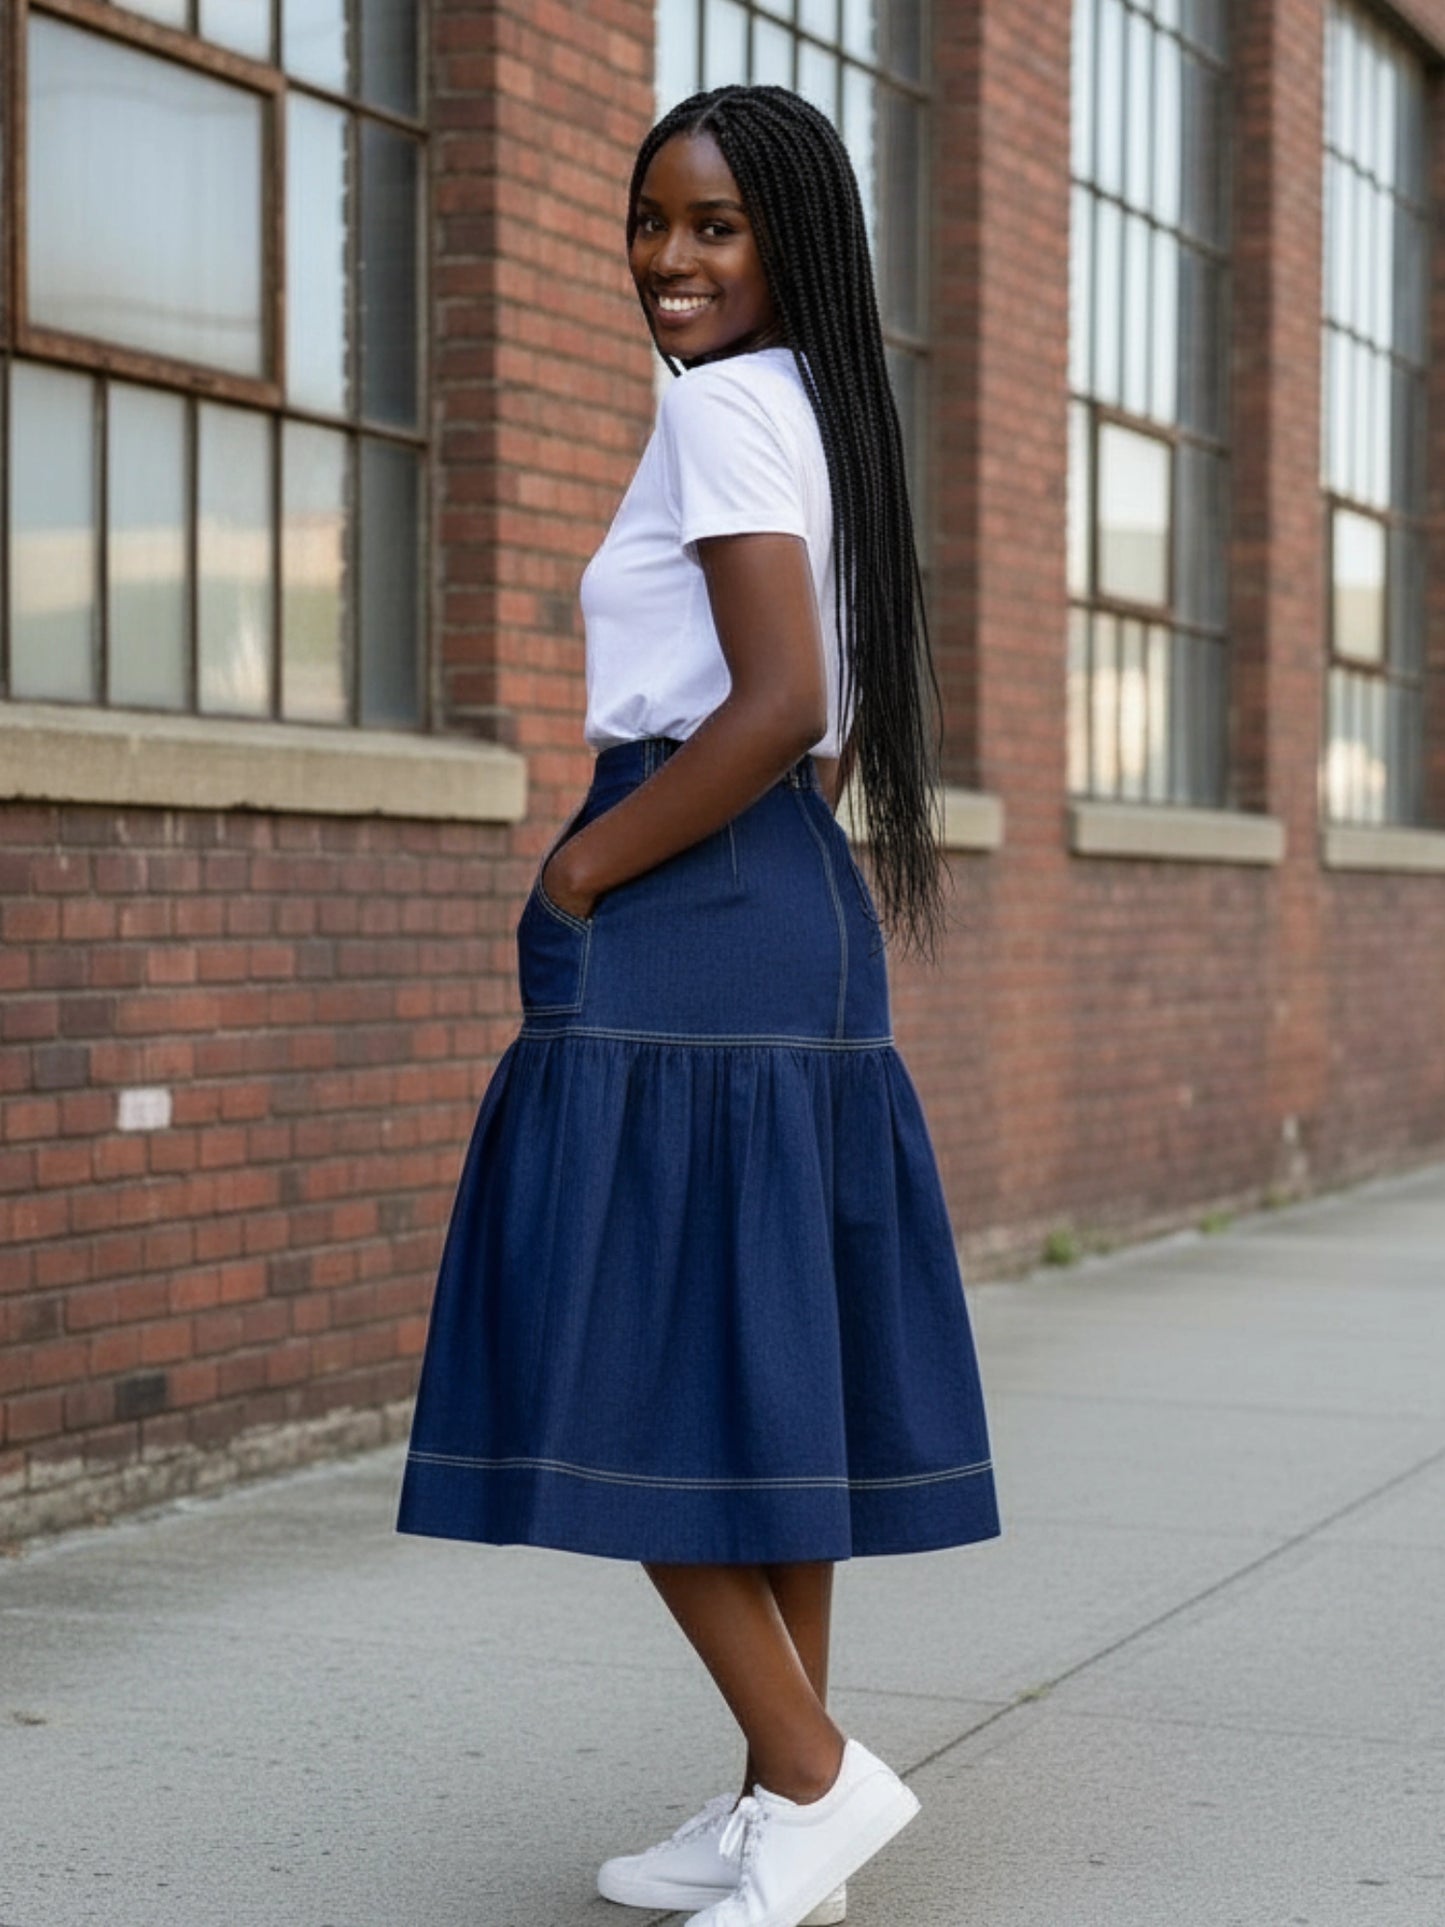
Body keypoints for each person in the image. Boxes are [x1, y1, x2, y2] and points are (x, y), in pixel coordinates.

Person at [396, 83, 1000, 1927]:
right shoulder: (822, 412)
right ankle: (774, 1809)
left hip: (681, 890)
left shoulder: (724, 409)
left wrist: (580, 875)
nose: (669, 257)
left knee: (632, 1363)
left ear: (789, 239)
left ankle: (815, 1779)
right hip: (786, 896)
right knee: (759, 1378)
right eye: (650, 219)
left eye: (714, 225)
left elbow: (774, 700)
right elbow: (819, 731)